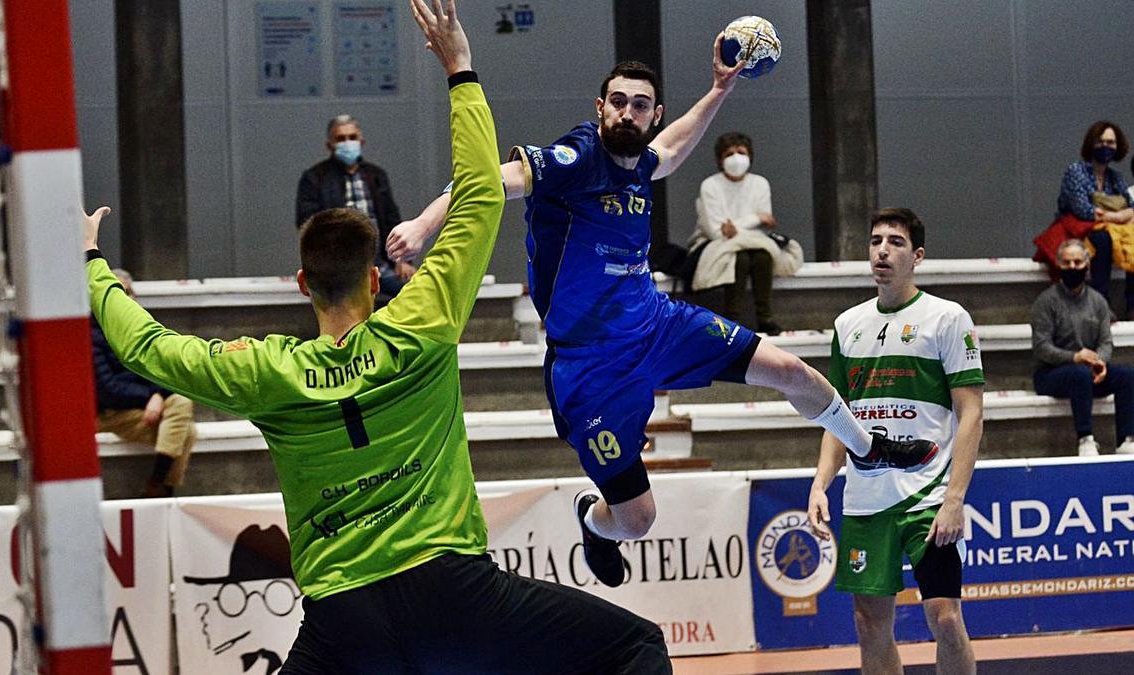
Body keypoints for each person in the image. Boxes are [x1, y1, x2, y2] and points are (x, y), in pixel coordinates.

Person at [86, 2, 670, 672]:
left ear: (304, 282)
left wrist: (90, 266)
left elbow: (148, 348)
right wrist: (460, 70)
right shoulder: (420, 321)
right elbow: (480, 195)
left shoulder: (267, 372)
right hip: (456, 596)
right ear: (373, 279)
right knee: (636, 646)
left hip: (344, 620)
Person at [387, 43, 938, 588]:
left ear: (654, 115)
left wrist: (721, 89)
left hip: (659, 327)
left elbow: (671, 153)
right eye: (618, 102)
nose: (628, 112)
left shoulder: (641, 161)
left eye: (641, 105)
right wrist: (423, 224)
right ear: (599, 107)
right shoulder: (576, 160)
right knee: (637, 519)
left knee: (792, 371)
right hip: (589, 370)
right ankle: (592, 521)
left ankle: (869, 450)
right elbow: (486, 181)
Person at [807, 208, 984, 675]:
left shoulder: (948, 318)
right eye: (876, 241)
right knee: (869, 623)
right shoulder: (848, 325)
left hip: (929, 497)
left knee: (944, 617)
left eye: (896, 242)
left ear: (917, 255)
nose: (882, 250)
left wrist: (954, 499)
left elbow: (971, 414)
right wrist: (821, 482)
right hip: (867, 500)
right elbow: (836, 416)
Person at [91, 268, 196, 498]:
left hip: (139, 407)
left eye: (127, 292)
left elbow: (166, 369)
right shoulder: (91, 335)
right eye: (116, 292)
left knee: (180, 405)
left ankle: (156, 488)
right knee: (186, 431)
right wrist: (150, 397)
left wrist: (158, 394)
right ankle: (161, 489)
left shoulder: (142, 329)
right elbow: (108, 390)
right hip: (109, 414)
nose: (124, 299)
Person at [1031, 239, 1134, 457]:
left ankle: (1126, 439)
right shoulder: (1046, 301)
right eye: (1067, 262)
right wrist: (1075, 357)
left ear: (1087, 265)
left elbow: (1106, 341)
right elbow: (1042, 347)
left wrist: (1100, 362)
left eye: (1078, 262)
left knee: (1127, 375)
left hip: (1088, 373)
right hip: (1051, 374)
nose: (1072, 267)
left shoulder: (1098, 301)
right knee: (1078, 375)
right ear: (1059, 265)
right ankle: (1085, 439)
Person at [687, 131, 796, 335]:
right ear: (720, 160)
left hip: (755, 241)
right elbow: (715, 231)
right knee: (740, 258)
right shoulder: (710, 185)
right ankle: (732, 318)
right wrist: (755, 219)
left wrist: (738, 225)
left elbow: (765, 225)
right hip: (716, 244)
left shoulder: (760, 183)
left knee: (762, 257)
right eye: (729, 154)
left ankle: (765, 318)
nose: (736, 158)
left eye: (741, 152)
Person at [296, 114, 415, 300]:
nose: (347, 142)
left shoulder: (376, 176)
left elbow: (391, 220)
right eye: (341, 139)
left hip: (380, 264)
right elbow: (308, 223)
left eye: (352, 138)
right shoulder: (314, 178)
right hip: (337, 267)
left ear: (361, 142)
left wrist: (402, 260)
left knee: (413, 297)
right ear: (330, 145)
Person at [1057, 120, 1133, 316]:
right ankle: (1101, 304)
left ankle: (1132, 304)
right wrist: (1119, 215)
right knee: (1103, 240)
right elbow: (1083, 210)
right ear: (1091, 143)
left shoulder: (1116, 178)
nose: (1106, 146)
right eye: (1101, 142)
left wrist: (1108, 215)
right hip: (1077, 233)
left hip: (1107, 229)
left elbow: (1131, 210)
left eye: (1111, 142)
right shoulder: (1076, 171)